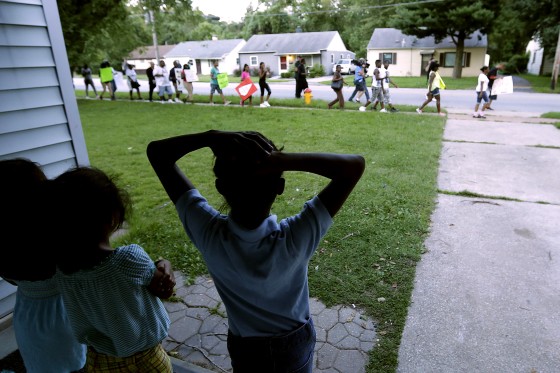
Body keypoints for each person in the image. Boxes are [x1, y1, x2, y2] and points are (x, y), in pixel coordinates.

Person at [146, 130, 365, 373]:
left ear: (220, 187)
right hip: (293, 348)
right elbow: (354, 167)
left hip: (245, 349)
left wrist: (211, 137)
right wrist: (282, 160)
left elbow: (158, 153)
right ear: (280, 187)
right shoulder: (296, 237)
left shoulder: (207, 232)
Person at [51, 167, 176, 372]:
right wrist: (165, 264)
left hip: (99, 362)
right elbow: (163, 287)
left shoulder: (62, 271)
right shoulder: (128, 259)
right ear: (112, 217)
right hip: (146, 360)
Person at [0, 159, 87, 373]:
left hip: (28, 316)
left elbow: (12, 278)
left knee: (43, 364)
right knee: (75, 363)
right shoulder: (57, 235)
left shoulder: (7, 244)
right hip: (64, 315)